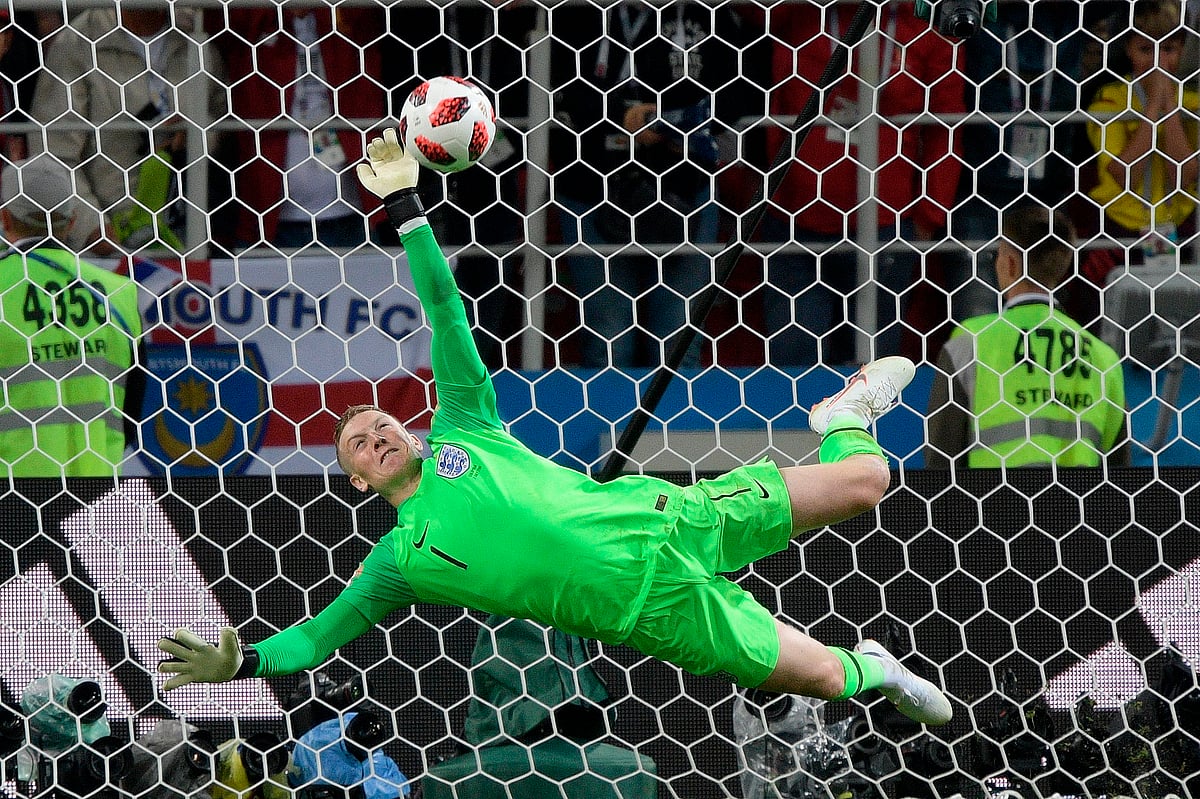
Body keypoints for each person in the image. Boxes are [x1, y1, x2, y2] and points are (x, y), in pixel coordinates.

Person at [157, 129, 952, 728]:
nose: (377, 435)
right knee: (824, 677)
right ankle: (874, 667)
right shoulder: (400, 559)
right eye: (359, 445)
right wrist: (247, 660)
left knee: (869, 479)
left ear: (414, 429)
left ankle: (842, 415)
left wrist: (406, 207)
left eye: (382, 421)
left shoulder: (467, 427)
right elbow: (315, 637)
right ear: (360, 481)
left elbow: (443, 309)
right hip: (652, 611)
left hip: (672, 517)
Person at [753, 0, 964, 365]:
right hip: (794, 223)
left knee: (873, 372)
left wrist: (930, 214)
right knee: (796, 364)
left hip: (886, 226)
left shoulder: (925, 23)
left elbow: (946, 128)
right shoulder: (800, 13)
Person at [549, 0, 756, 368]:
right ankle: (612, 424)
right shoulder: (573, 11)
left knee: (679, 342)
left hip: (686, 188)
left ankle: (675, 425)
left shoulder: (709, 12)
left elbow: (739, 90)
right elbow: (551, 87)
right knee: (609, 343)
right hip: (590, 191)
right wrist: (619, 115)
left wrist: (671, 123)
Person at [925, 204, 1130, 469]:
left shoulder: (971, 342)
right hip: (1078, 507)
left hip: (992, 506)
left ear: (1009, 263)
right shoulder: (1104, 358)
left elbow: (942, 456)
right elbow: (1119, 471)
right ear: (1063, 265)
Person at [28, 7, 228, 253]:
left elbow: (222, 118)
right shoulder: (80, 41)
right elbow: (52, 149)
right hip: (110, 244)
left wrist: (196, 135)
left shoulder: (195, 35)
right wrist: (92, 228)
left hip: (191, 235)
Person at [0, 154, 144, 477]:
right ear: (73, 220)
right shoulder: (118, 294)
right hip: (98, 499)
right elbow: (131, 416)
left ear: (5, 219)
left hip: (14, 499)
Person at [212, 5, 386, 250]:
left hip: (355, 218)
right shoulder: (251, 21)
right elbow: (213, 18)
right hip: (269, 225)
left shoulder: (350, 18)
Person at [1076, 0, 1199, 328]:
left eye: (1169, 50)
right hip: (1118, 231)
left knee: (1174, 327)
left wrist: (1168, 107)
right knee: (1106, 322)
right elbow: (1124, 175)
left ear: (1183, 49)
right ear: (1128, 49)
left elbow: (1183, 175)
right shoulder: (1109, 100)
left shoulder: (1193, 103)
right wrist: (1152, 109)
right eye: (1147, 50)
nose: (1158, 62)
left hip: (1177, 229)